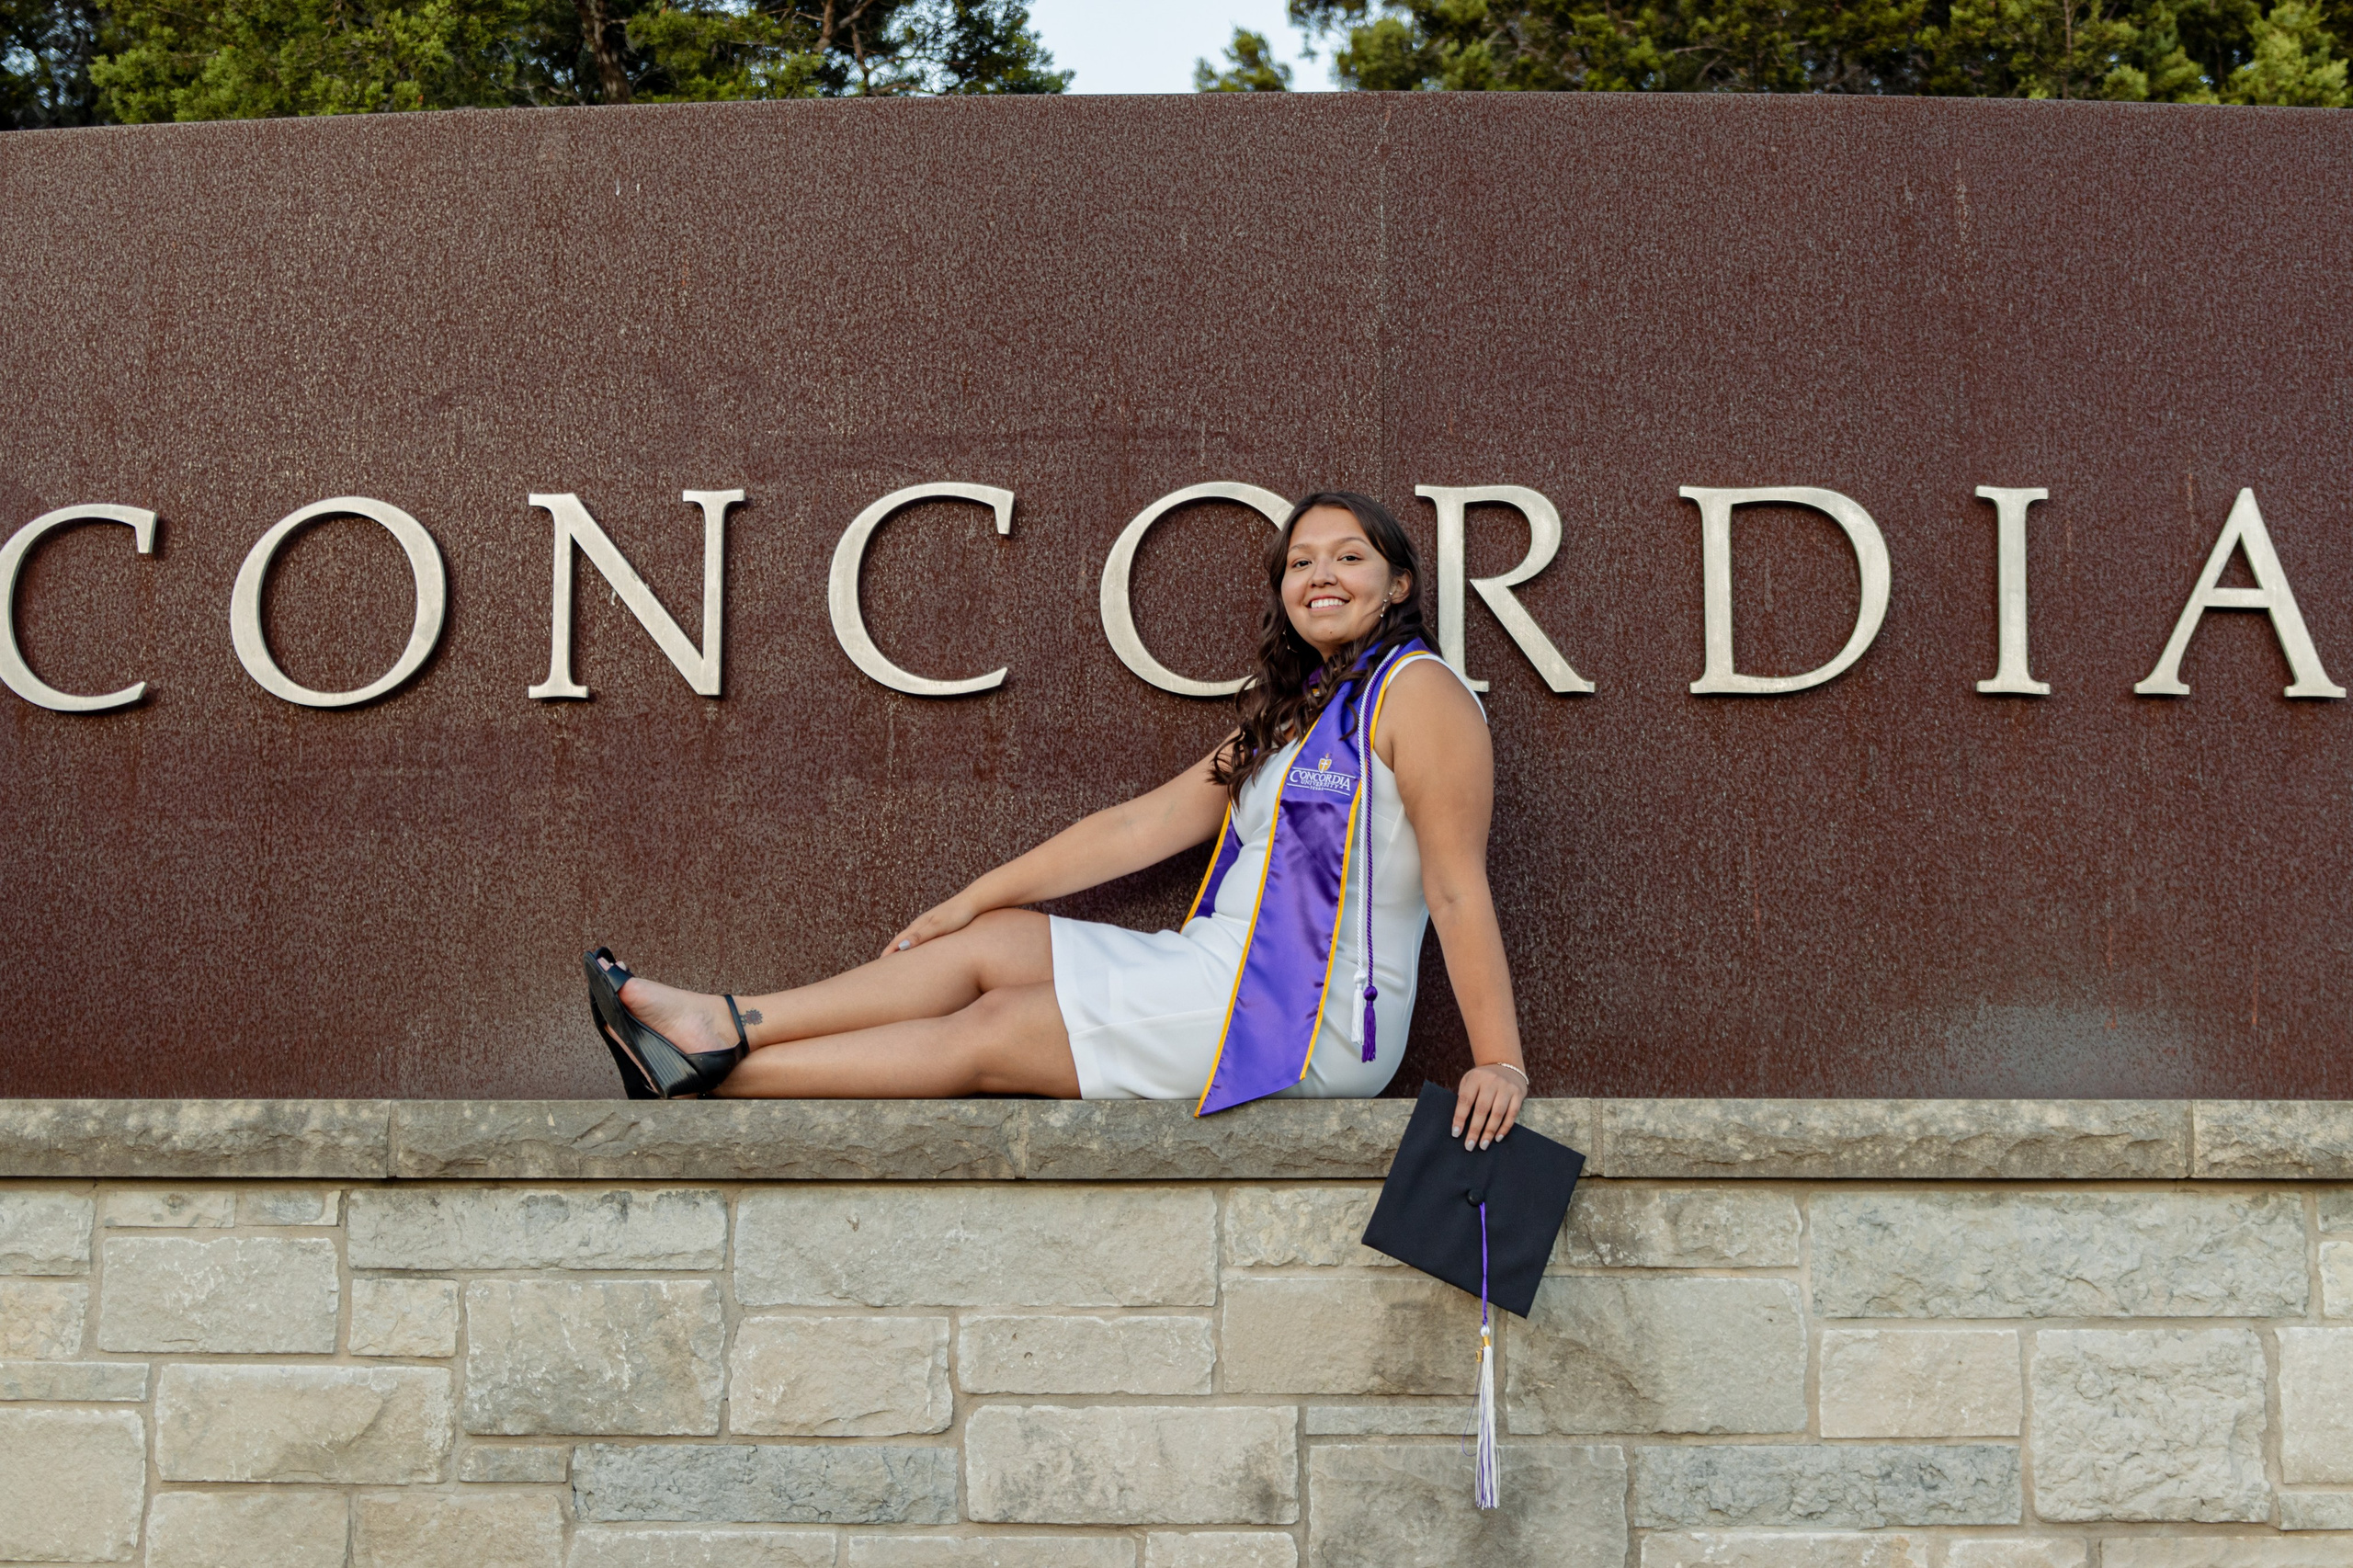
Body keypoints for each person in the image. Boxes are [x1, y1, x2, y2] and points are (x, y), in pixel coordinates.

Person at [585, 491, 1533, 1148]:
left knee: (1000, 1028)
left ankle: (712, 1070)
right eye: (1300, 561)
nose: (1321, 574)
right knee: (989, 943)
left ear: (1399, 585)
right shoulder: (1297, 712)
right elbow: (1138, 828)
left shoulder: (1420, 694)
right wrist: (969, 899)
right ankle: (726, 1021)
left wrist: (1500, 1062)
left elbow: (1455, 887)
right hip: (1214, 967)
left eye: (1349, 557)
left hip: (1304, 1020)